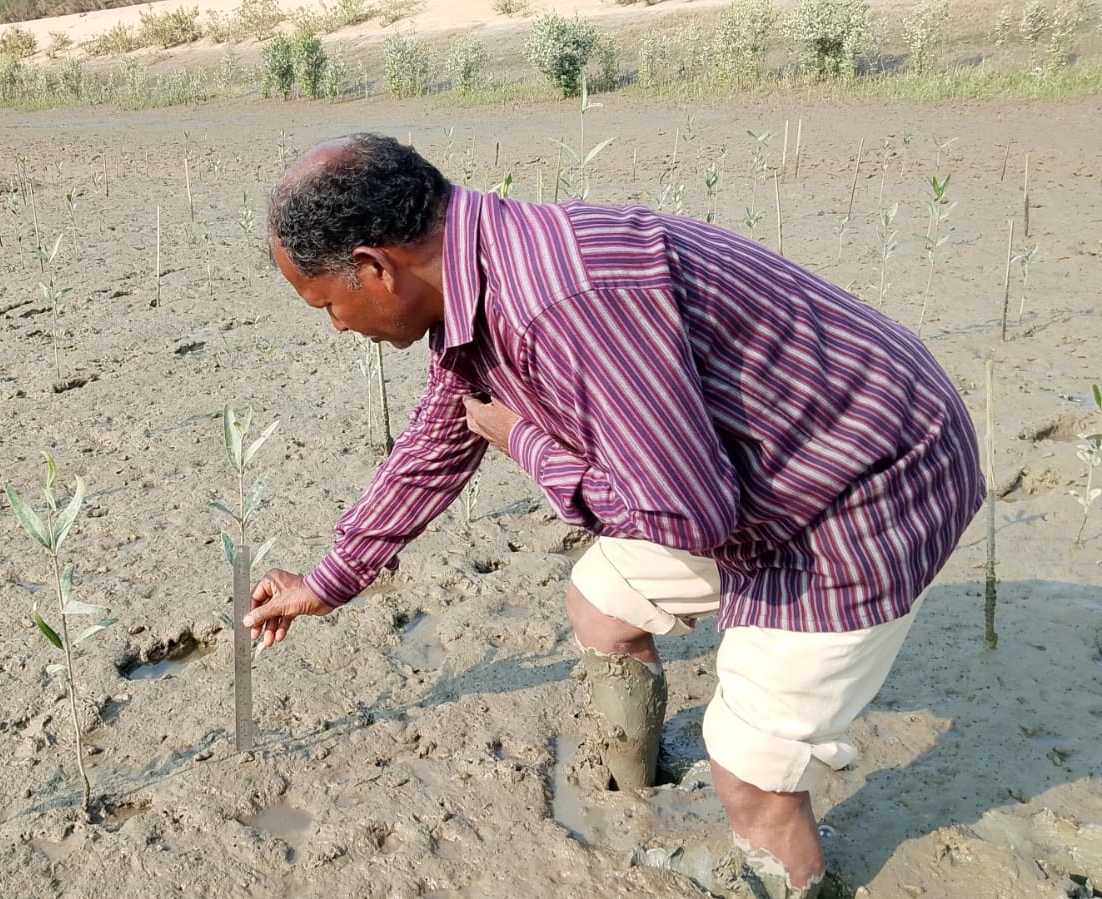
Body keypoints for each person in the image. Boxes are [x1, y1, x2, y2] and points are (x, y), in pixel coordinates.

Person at [243, 133, 983, 899]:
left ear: (374, 266)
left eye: (328, 304)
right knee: (601, 603)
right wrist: (330, 581)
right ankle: (639, 786)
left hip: (858, 486)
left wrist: (525, 441)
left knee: (748, 771)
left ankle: (788, 879)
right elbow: (443, 432)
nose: (336, 326)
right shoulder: (481, 274)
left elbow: (686, 514)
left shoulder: (559, 299)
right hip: (752, 473)